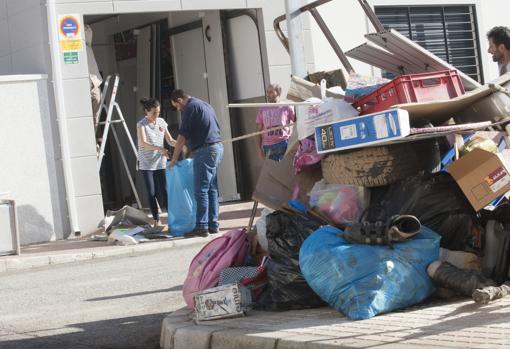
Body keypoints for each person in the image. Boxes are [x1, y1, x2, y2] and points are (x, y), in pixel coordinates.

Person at [169, 89, 223, 238]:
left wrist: (174, 158)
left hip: (205, 151)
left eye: (177, 106)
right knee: (211, 188)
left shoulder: (190, 108)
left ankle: (201, 227)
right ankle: (213, 224)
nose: (179, 109)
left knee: (201, 190)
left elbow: (181, 137)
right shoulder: (204, 104)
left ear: (179, 100)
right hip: (215, 148)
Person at [136, 98, 176, 226]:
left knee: (165, 189)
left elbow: (170, 140)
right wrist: (160, 149)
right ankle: (156, 219)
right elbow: (143, 143)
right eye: (153, 113)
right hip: (146, 163)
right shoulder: (141, 124)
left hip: (160, 162)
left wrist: (182, 145)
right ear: (146, 111)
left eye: (158, 112)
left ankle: (173, 217)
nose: (156, 115)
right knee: (151, 192)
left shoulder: (161, 122)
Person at [256, 83, 295, 162]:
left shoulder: (287, 107)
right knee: (273, 171)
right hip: (268, 146)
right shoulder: (262, 109)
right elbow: (258, 131)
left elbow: (297, 123)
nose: (268, 94)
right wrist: (259, 149)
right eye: (267, 92)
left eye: (271, 92)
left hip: (284, 144)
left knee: (287, 170)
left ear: (278, 92)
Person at [85, 25, 103, 119]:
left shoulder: (87, 45)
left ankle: (94, 132)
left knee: (96, 114)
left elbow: (88, 30)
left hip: (94, 83)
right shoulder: (74, 49)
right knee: (86, 113)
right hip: (85, 85)